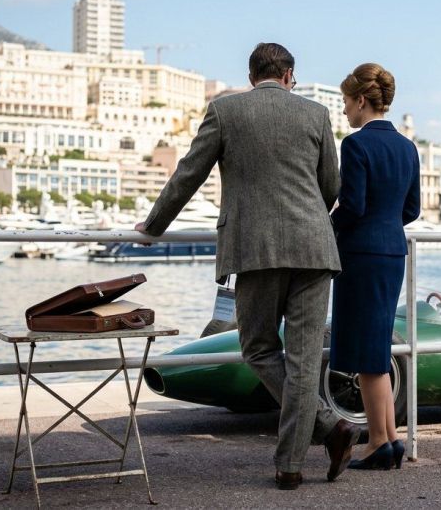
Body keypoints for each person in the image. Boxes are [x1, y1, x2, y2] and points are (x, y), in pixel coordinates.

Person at [135, 43, 361, 490]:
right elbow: (330, 186)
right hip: (314, 249)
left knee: (257, 348)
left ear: (251, 76)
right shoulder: (316, 114)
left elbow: (189, 174)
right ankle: (300, 455)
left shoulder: (225, 111)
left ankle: (319, 436)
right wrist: (307, 220)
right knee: (304, 360)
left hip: (255, 250)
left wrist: (154, 225)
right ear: (290, 75)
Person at [330, 63, 420, 470]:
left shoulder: (355, 145)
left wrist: (328, 226)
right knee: (377, 346)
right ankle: (390, 439)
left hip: (361, 255)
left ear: (362, 100)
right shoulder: (407, 147)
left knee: (366, 351)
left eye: (346, 102)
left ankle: (380, 442)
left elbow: (352, 206)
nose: (345, 110)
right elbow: (412, 208)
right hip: (392, 252)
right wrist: (385, 225)